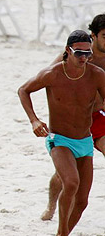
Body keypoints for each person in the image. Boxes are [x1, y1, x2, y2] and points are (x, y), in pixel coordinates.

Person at [18, 30, 105, 236]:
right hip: (59, 139)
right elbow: (23, 90)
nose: (84, 58)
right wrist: (34, 120)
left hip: (84, 140)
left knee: (83, 201)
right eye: (79, 53)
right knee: (71, 181)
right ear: (67, 51)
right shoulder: (53, 74)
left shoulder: (96, 75)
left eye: (87, 53)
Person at [41, 14, 105, 222]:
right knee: (65, 175)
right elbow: (49, 76)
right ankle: (52, 205)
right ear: (93, 36)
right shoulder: (76, 54)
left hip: (99, 117)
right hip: (76, 120)